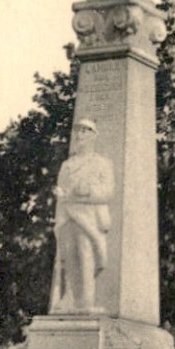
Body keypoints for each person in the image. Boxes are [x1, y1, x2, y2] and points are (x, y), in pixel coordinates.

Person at [49, 119, 115, 313]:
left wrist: (86, 191)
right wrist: (61, 195)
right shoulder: (67, 165)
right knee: (69, 259)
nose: (80, 136)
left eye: (85, 131)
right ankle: (70, 300)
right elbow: (62, 191)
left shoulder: (102, 163)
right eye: (78, 132)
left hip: (89, 218)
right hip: (68, 216)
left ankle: (85, 302)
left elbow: (107, 192)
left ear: (94, 136)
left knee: (86, 256)